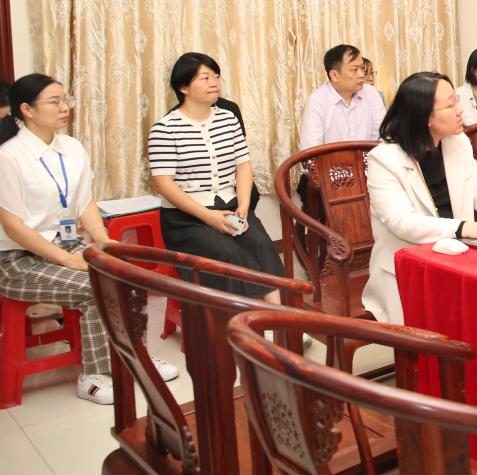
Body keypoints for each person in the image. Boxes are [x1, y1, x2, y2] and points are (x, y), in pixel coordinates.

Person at [1, 74, 177, 405]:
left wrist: (102, 239)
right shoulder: (8, 157)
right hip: (17, 259)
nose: (64, 107)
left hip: (67, 244)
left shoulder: (72, 148)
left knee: (128, 275)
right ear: (27, 109)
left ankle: (137, 356)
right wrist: (68, 260)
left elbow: (85, 204)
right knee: (94, 286)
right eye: (54, 102)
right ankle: (95, 374)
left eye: (65, 99)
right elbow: (13, 227)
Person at [363, 72, 477, 323]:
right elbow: (401, 222)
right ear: (423, 117)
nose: (460, 110)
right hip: (408, 270)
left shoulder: (457, 142)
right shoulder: (384, 160)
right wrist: (464, 228)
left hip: (458, 259)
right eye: (450, 105)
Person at [148, 53, 286, 300]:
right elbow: (163, 184)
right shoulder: (165, 129)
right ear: (184, 87)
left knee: (262, 245)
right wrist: (208, 216)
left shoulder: (228, 118)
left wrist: (243, 205)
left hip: (230, 206)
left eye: (216, 76)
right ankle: (247, 317)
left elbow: (243, 166)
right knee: (228, 255)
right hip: (186, 217)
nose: (214, 82)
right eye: (205, 78)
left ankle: (278, 315)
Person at [299, 44, 386, 150]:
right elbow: (311, 150)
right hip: (330, 161)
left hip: (368, 159)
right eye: (355, 69)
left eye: (362, 68)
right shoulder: (317, 101)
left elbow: (382, 136)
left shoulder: (371, 93)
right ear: (334, 75)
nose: (362, 74)